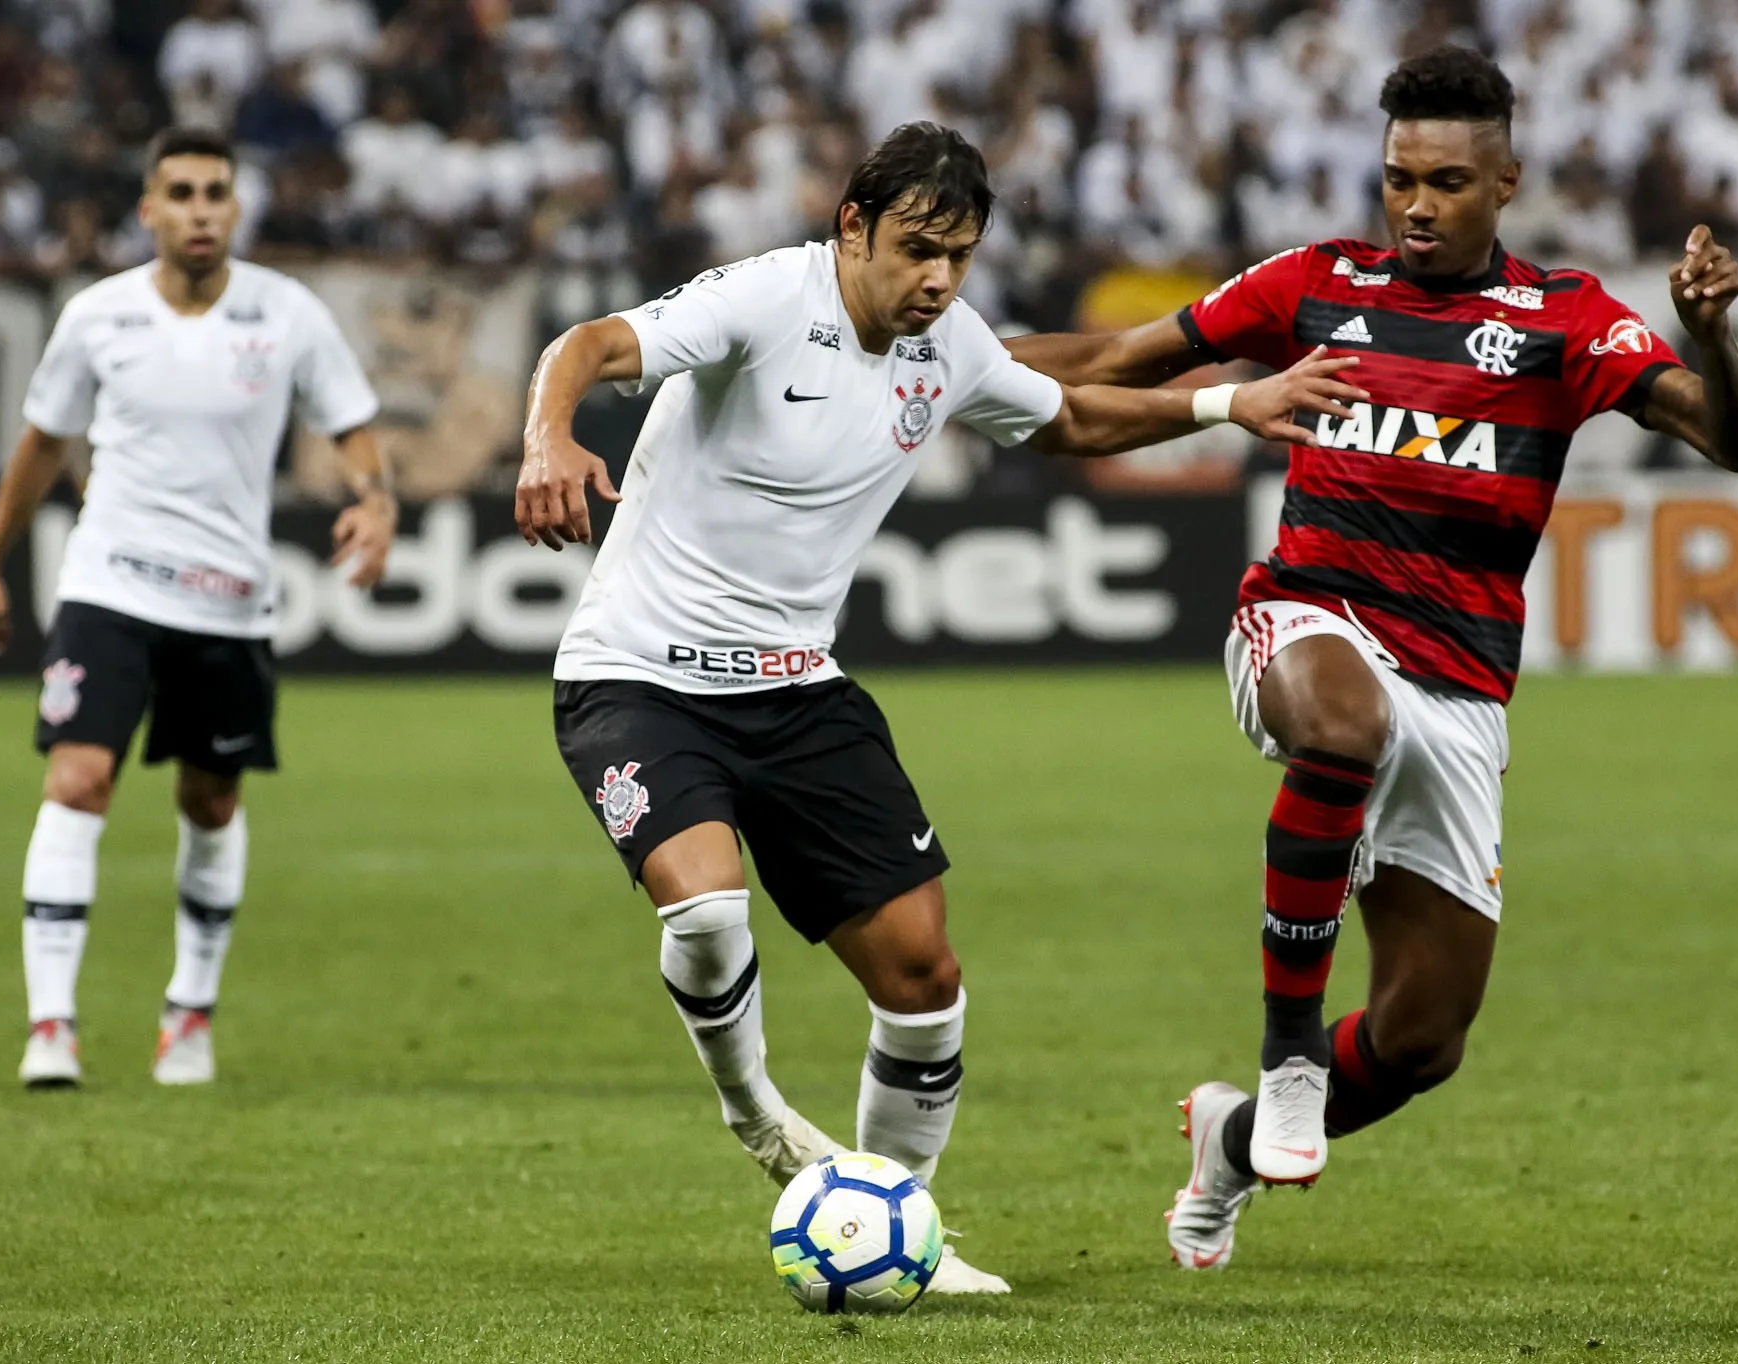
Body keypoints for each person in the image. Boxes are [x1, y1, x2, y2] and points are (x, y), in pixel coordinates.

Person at [515, 121, 1361, 1294]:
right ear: (851, 225)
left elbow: (1066, 417)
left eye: (958, 257)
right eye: (918, 249)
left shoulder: (946, 342)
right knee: (706, 910)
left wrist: (1225, 405)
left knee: (923, 978)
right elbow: (591, 341)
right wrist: (548, 434)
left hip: (798, 691)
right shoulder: (763, 299)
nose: (938, 280)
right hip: (636, 677)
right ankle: (756, 1112)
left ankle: (892, 1221)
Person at [1006, 47, 1738, 1269]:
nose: (1416, 203)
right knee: (1340, 723)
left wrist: (1711, 337)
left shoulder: (1563, 319)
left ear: (1505, 183)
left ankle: (1233, 1134)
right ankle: (1287, 1051)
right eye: (1397, 178)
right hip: (1306, 617)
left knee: (1426, 1036)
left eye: (1446, 182)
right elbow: (1110, 366)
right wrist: (936, 350)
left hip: (1459, 685)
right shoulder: (1312, 283)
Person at [0, 128, 396, 1091]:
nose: (200, 209)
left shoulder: (286, 314)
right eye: (182, 193)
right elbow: (41, 444)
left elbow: (353, 427)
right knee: (76, 780)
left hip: (228, 601)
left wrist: (377, 499)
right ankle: (51, 1028)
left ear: (235, 209)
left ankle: (187, 1015)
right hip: (109, 581)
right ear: (149, 209)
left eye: (216, 193)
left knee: (211, 801)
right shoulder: (97, 317)